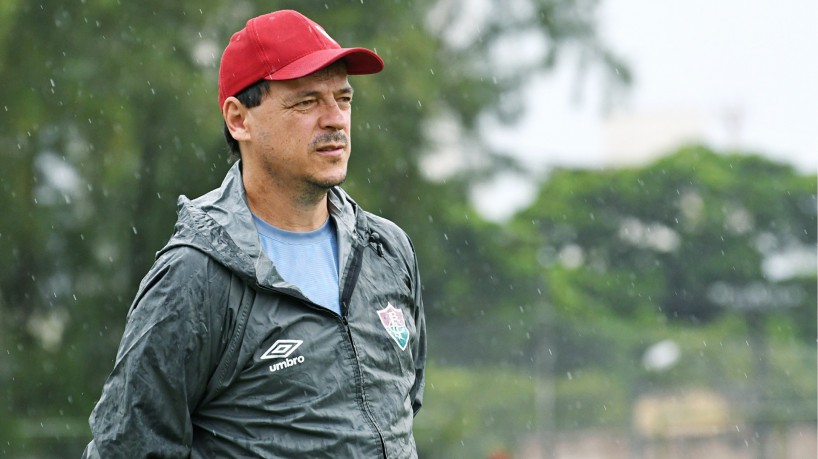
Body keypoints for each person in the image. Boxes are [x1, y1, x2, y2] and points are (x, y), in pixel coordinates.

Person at [82, 9, 426, 458]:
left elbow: (399, 412)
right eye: (306, 102)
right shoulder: (194, 274)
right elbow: (128, 447)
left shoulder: (388, 250)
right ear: (238, 120)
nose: (335, 119)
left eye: (343, 99)